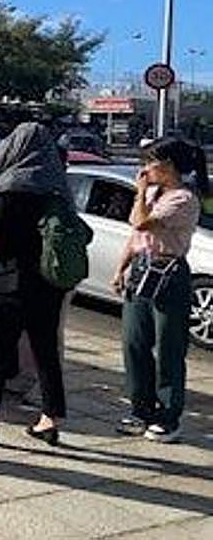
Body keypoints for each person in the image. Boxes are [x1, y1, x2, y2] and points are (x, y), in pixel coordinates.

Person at [0, 123, 70, 447]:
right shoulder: (57, 187)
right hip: (48, 283)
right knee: (45, 350)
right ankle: (50, 418)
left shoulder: (9, 187)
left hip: (9, 280)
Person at [112, 138, 206, 443]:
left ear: (168, 166)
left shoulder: (183, 199)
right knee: (134, 342)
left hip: (168, 273)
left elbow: (143, 224)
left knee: (168, 347)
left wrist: (140, 192)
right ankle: (140, 408)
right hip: (141, 269)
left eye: (150, 162)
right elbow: (135, 235)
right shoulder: (153, 194)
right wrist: (121, 268)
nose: (144, 169)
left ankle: (168, 415)